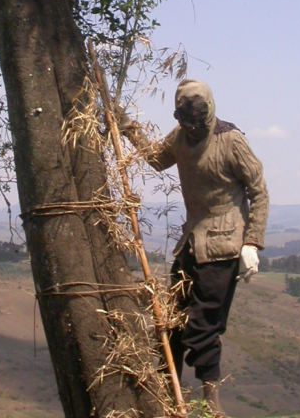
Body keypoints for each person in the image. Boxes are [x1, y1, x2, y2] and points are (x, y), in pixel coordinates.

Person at [118, 79, 269, 414]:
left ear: (209, 112)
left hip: (224, 247)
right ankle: (164, 394)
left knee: (202, 327)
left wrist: (252, 243)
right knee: (171, 320)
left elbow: (258, 189)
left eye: (198, 122)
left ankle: (211, 408)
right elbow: (157, 158)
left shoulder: (230, 140)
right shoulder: (180, 137)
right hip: (191, 243)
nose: (194, 128)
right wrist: (125, 125)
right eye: (187, 122)